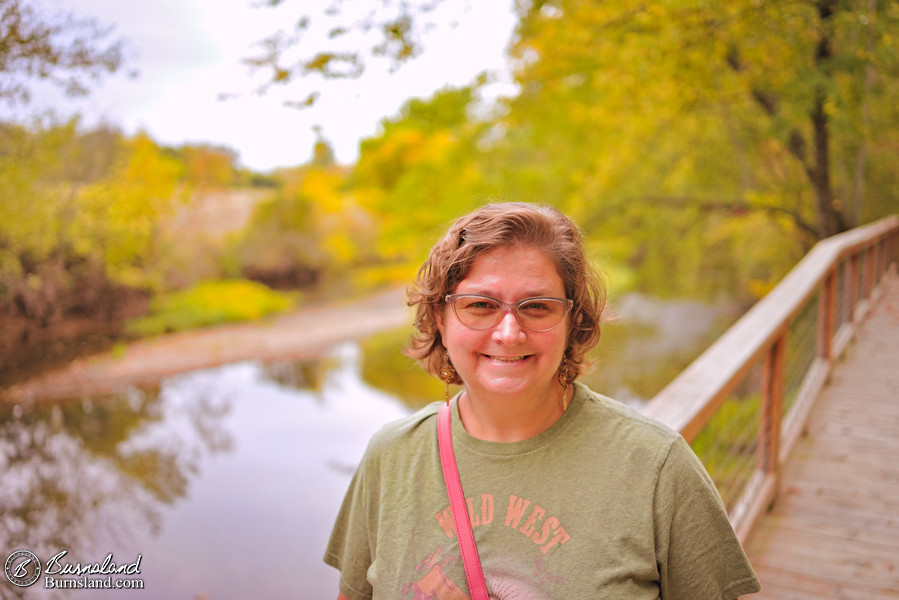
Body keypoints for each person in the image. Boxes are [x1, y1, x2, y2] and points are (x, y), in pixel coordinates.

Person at [324, 202, 761, 599]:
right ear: (440, 317)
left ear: (573, 319)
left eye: (537, 307)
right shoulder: (392, 455)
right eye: (480, 305)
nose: (509, 333)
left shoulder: (657, 468)